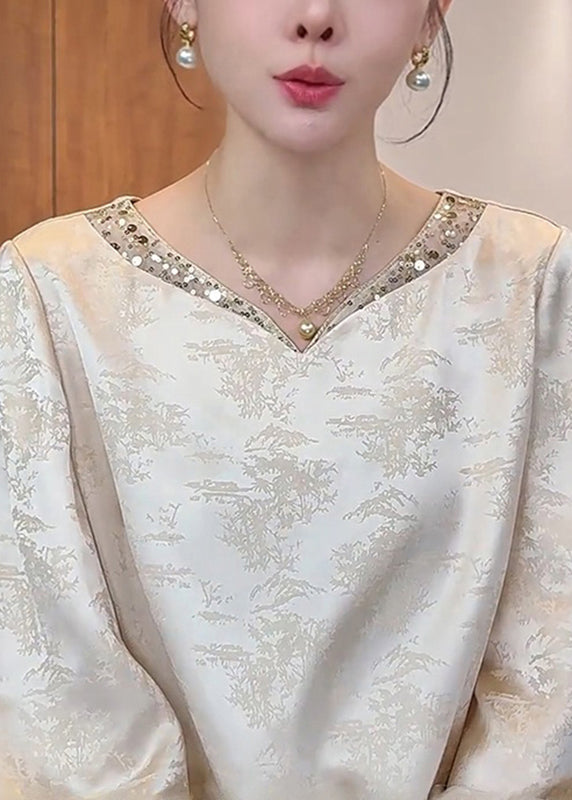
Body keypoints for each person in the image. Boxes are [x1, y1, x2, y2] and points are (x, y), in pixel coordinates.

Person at [0, 0, 571, 797]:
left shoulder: (529, 286)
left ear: (430, 14)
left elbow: (547, 682)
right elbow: (55, 688)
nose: (315, 16)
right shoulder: (51, 294)